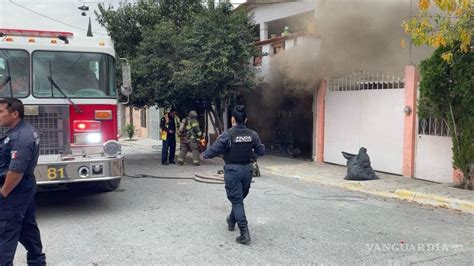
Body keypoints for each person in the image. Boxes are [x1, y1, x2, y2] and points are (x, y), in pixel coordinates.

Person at [202, 105, 265, 244]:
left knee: (237, 201)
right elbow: (261, 151)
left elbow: (214, 149)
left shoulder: (228, 134)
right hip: (247, 172)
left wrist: (204, 155)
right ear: (246, 119)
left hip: (232, 171)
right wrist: (253, 153)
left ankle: (244, 233)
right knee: (239, 199)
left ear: (232, 119)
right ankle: (231, 220)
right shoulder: (253, 134)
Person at [0, 98, 46, 265]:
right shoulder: (19, 131)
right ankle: (37, 261)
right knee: (27, 229)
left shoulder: (21, 137)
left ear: (14, 114)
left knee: (4, 234)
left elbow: (16, 172)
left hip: (14, 191)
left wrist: (3, 193)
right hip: (23, 189)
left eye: (1, 112)